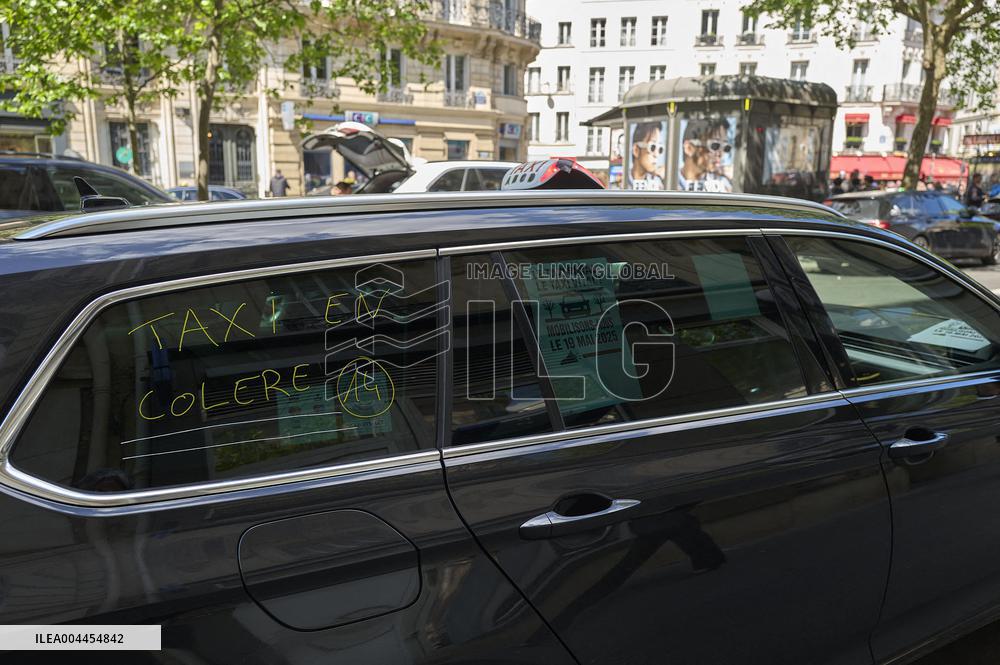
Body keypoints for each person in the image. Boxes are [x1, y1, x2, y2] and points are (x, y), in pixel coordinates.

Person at [677, 118, 733, 193]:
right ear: (689, 148)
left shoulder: (723, 185)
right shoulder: (663, 183)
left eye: (726, 148)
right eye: (715, 145)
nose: (721, 154)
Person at [628, 121, 665, 190]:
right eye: (652, 147)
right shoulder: (619, 183)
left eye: (660, 149)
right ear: (636, 150)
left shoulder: (659, 184)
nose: (656, 155)